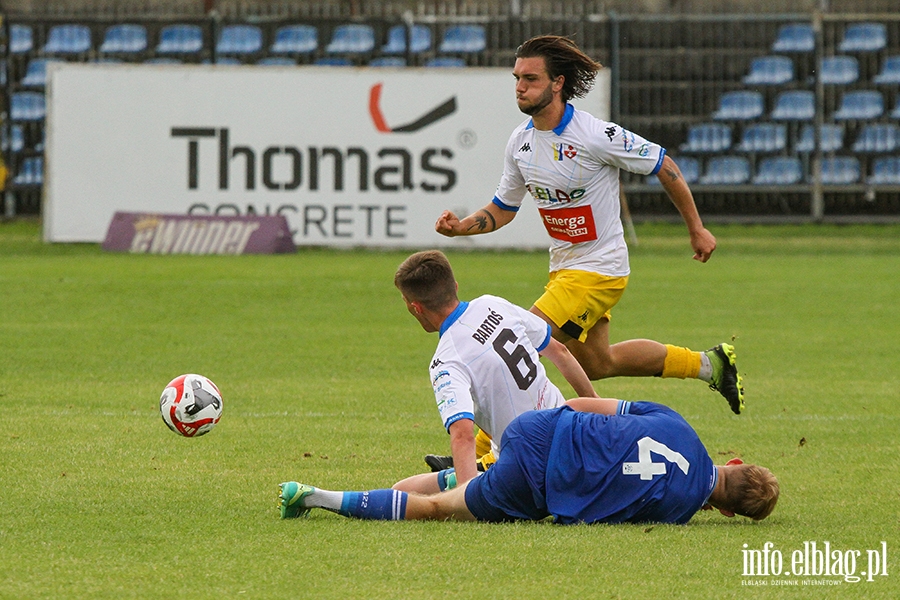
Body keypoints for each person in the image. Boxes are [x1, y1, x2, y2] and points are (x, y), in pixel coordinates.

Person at [434, 35, 745, 415]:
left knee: (515, 342)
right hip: (564, 269)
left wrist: (696, 228)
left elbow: (664, 165)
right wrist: (462, 227)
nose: (519, 87)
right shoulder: (521, 143)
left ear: (558, 82)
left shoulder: (595, 135)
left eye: (530, 79)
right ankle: (710, 365)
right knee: (598, 364)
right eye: (517, 78)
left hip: (599, 269)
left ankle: (486, 457)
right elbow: (504, 207)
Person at [278, 398, 779, 525]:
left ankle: (421, 482)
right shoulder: (677, 512)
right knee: (442, 509)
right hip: (542, 483)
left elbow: (591, 406)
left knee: (459, 482)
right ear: (729, 512)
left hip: (537, 429)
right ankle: (321, 498)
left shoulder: (679, 425)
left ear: (733, 460)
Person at [393, 249, 598, 492]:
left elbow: (462, 435)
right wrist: (597, 409)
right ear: (455, 286)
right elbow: (560, 352)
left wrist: (466, 499)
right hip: (573, 433)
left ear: (416, 308)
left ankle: (472, 476)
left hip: (529, 470)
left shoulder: (446, 360)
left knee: (401, 490)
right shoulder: (493, 304)